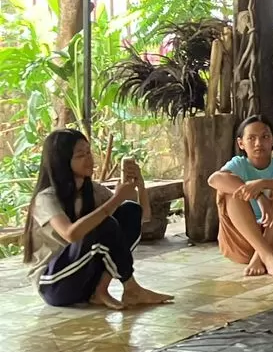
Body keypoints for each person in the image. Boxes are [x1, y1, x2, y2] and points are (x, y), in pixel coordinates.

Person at [23, 129, 172, 309]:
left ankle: (102, 290)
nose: (89, 159)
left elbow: (142, 217)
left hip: (84, 281)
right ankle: (131, 287)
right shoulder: (46, 198)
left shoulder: (92, 190)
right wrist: (116, 199)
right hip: (55, 285)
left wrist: (139, 185)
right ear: (62, 161)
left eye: (88, 152)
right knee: (105, 223)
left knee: (129, 211)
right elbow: (71, 234)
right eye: (80, 155)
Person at [208, 115, 273, 278]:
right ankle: (266, 255)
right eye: (251, 138)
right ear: (241, 143)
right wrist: (259, 196)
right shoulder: (238, 164)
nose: (258, 143)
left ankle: (261, 255)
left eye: (265, 137)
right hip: (241, 245)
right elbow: (213, 179)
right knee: (230, 188)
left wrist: (263, 183)